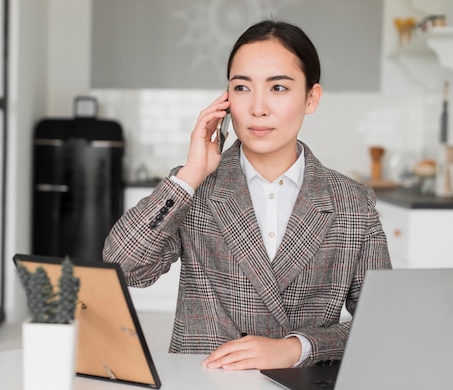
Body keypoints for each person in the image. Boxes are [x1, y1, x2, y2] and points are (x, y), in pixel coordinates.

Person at [102, 19, 391, 370]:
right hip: (202, 388)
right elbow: (124, 267)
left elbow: (382, 327)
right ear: (226, 100)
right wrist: (191, 174)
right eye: (242, 88)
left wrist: (296, 348)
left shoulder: (353, 203)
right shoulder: (195, 189)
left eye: (279, 88)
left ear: (311, 97)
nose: (258, 108)